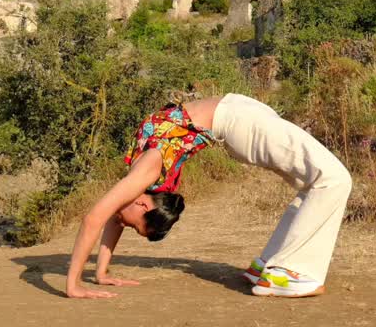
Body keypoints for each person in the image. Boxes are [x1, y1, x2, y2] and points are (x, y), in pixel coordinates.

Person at [65, 93, 352, 299]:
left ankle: (273, 269)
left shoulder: (146, 172)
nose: (122, 223)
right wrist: (101, 273)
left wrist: (74, 284)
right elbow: (115, 217)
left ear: (142, 204)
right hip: (237, 118)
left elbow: (94, 219)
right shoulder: (144, 183)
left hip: (240, 119)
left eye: (132, 225)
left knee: (328, 180)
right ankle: (279, 270)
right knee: (328, 179)